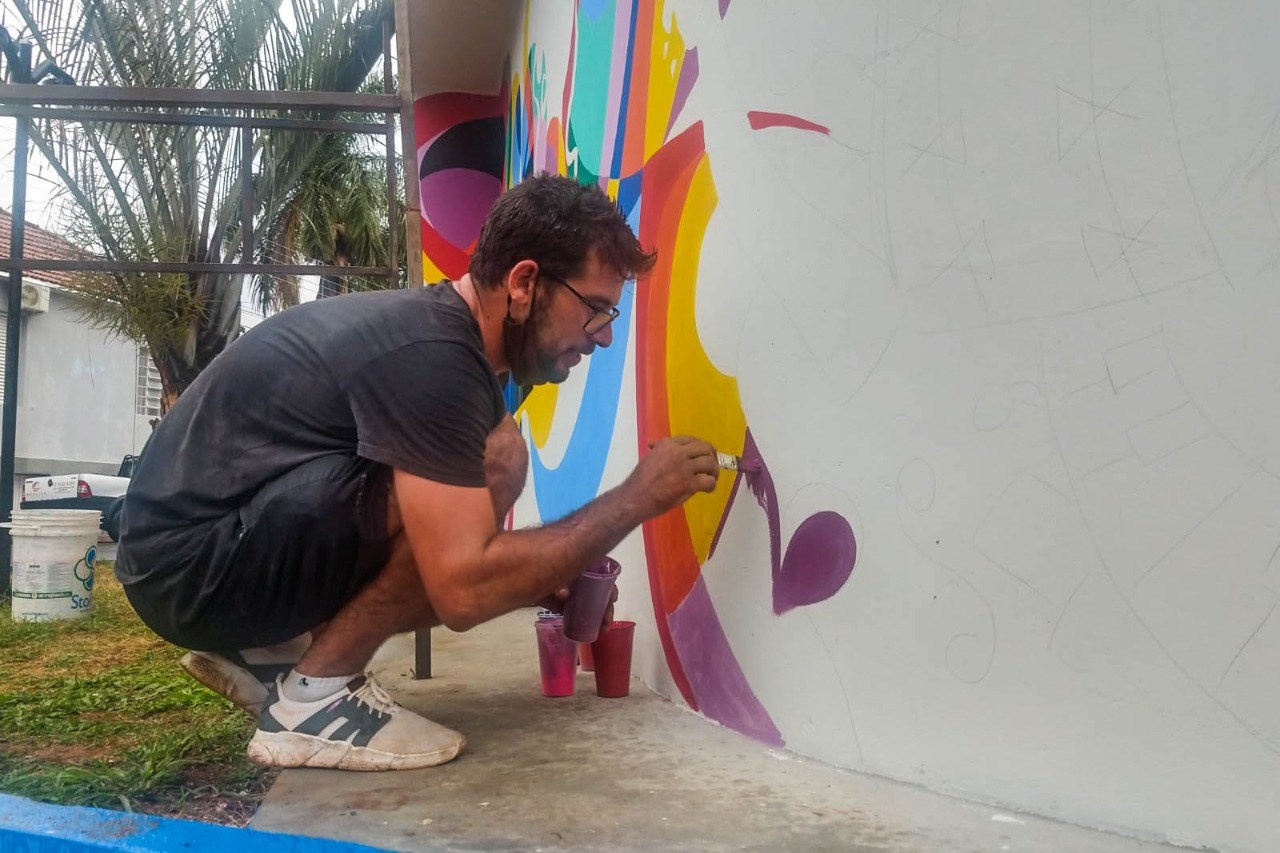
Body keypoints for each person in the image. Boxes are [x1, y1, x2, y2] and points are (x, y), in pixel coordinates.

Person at [113, 173, 721, 772]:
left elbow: (447, 564)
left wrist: (535, 580)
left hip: (191, 552)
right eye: (596, 309)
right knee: (498, 461)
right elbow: (462, 589)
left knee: (479, 481)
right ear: (524, 283)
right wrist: (635, 498)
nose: (606, 337)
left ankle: (266, 650)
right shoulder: (434, 360)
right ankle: (313, 702)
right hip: (188, 567)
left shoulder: (441, 341)